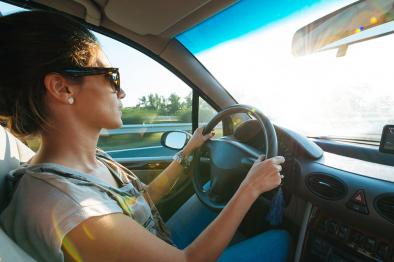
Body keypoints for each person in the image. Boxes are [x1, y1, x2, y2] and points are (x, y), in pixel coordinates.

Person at [0, 10, 289, 261]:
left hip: (156, 238)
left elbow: (141, 201)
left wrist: (186, 154)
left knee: (216, 185)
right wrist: (251, 187)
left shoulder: (89, 163)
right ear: (63, 89)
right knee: (281, 240)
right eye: (111, 77)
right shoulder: (67, 206)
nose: (121, 91)